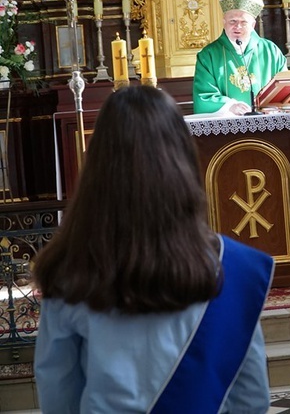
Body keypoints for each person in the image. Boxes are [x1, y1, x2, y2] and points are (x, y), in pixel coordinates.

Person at [33, 86, 274, 413]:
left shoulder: (69, 268)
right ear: (184, 159)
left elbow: (58, 396)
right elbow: (250, 398)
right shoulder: (230, 268)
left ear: (98, 166)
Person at [193, 0, 287, 115]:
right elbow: (204, 96)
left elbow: (284, 87)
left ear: (253, 25)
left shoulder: (270, 51)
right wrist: (230, 106)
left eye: (243, 22)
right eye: (232, 21)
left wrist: (274, 105)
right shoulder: (208, 55)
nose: (237, 26)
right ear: (224, 22)